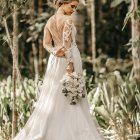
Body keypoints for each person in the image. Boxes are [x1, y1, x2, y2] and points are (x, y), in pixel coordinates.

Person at [12, 0, 104, 139]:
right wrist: (70, 63)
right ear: (63, 3)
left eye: (75, 7)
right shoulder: (67, 20)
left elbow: (46, 43)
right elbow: (67, 44)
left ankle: (50, 128)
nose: (74, 10)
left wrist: (55, 52)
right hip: (69, 57)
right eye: (72, 6)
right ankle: (73, 130)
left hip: (55, 60)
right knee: (71, 92)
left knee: (54, 93)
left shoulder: (49, 21)